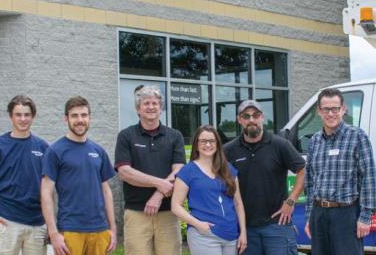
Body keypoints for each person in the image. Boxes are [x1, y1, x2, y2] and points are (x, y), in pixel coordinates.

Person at [224, 99, 305, 255]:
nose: (251, 120)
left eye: (256, 115)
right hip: (245, 229)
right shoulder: (228, 150)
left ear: (262, 117)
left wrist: (291, 201)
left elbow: (303, 170)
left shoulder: (280, 145)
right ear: (239, 120)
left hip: (277, 226)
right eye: (246, 116)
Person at [41, 96, 117, 255]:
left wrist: (113, 229)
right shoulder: (55, 151)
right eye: (74, 116)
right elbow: (46, 193)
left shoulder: (99, 151)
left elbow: (106, 191)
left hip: (100, 229)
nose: (80, 120)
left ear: (90, 118)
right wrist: (53, 233)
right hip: (70, 229)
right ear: (66, 119)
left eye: (84, 115)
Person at [115, 85, 186, 255]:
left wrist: (158, 195)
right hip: (136, 213)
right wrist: (160, 183)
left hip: (168, 212)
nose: (151, 107)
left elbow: (179, 170)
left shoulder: (175, 136)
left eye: (155, 103)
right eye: (146, 103)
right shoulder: (126, 136)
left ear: (161, 108)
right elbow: (125, 172)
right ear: (138, 109)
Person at [304, 88, 376, 255]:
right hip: (319, 214)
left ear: (343, 109)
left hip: (346, 214)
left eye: (335, 109)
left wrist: (365, 217)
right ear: (319, 111)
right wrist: (309, 217)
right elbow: (310, 183)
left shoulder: (358, 137)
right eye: (326, 109)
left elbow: (369, 178)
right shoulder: (314, 141)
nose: (330, 114)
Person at [0, 95, 48, 255]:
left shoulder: (43, 147)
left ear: (33, 116)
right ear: (11, 116)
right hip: (8, 222)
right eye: (18, 114)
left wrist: (50, 222)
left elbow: (49, 187)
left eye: (27, 114)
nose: (23, 119)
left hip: (37, 224)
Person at [172, 125, 247, 255]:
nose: (208, 145)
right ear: (196, 144)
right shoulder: (187, 171)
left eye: (212, 141)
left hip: (231, 235)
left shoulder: (228, 169)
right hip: (204, 234)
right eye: (203, 141)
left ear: (217, 144)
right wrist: (198, 224)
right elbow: (175, 206)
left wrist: (243, 232)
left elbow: (238, 203)